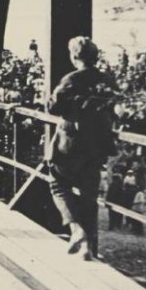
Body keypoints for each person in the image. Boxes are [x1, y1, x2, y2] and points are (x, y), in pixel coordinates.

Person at [47, 36, 117, 259]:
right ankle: (88, 248)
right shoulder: (106, 79)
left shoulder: (71, 79)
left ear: (74, 56)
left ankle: (76, 229)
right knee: (89, 195)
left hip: (71, 144)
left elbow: (53, 108)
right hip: (97, 145)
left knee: (58, 184)